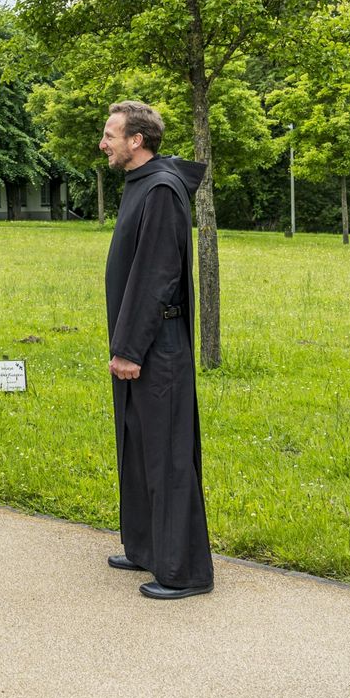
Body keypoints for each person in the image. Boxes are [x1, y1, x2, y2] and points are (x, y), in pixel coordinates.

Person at [98, 99, 214, 599]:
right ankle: (146, 547)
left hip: (157, 345)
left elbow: (157, 275)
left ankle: (184, 571)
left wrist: (130, 348)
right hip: (141, 341)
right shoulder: (140, 184)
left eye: (110, 135)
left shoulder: (162, 190)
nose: (103, 144)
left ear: (136, 140)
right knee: (139, 447)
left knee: (167, 455)